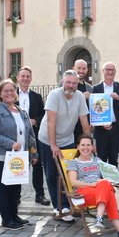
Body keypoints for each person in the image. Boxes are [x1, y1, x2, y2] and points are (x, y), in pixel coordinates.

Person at [38, 70, 91, 221]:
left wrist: (88, 143)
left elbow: (84, 121)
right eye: (68, 82)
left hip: (67, 139)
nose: (71, 85)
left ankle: (70, 203)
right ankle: (58, 207)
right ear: (62, 82)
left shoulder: (80, 96)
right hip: (47, 139)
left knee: (69, 172)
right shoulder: (54, 95)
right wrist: (53, 145)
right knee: (52, 174)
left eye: (74, 83)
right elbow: (50, 121)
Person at [0, 79, 38, 230]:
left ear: (16, 93)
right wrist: (10, 143)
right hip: (2, 157)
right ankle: (6, 219)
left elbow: (30, 135)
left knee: (16, 188)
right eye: (6, 91)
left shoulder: (22, 111)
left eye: (12, 90)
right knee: (4, 187)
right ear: (0, 94)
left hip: (20, 157)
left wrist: (34, 154)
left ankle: (14, 216)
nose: (9, 93)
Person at [67, 134, 119, 237]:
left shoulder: (97, 160)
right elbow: (73, 182)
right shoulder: (73, 162)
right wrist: (92, 184)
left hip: (101, 191)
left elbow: (109, 176)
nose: (86, 148)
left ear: (92, 147)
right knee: (106, 189)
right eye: (83, 145)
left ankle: (101, 219)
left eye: (88, 145)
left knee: (105, 185)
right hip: (83, 193)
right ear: (77, 146)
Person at [15, 66, 50, 206]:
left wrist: (35, 120)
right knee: (18, 164)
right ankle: (16, 196)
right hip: (16, 136)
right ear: (17, 78)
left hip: (34, 136)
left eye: (27, 76)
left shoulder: (36, 96)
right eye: (22, 76)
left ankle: (39, 195)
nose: (25, 79)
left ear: (31, 79)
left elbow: (43, 114)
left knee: (37, 165)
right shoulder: (12, 94)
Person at [93, 62, 119, 167]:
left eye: (112, 70)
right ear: (103, 71)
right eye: (107, 69)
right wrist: (100, 123)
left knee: (113, 158)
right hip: (100, 128)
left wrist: (118, 98)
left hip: (115, 128)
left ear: (115, 72)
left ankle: (113, 181)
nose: (110, 72)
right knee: (101, 158)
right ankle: (102, 182)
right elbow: (93, 108)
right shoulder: (96, 88)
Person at [73, 59, 93, 141]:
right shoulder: (66, 84)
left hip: (84, 128)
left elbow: (92, 108)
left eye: (84, 68)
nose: (81, 71)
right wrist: (82, 97)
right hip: (70, 128)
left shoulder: (90, 88)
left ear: (87, 70)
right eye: (79, 68)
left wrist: (92, 122)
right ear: (74, 69)